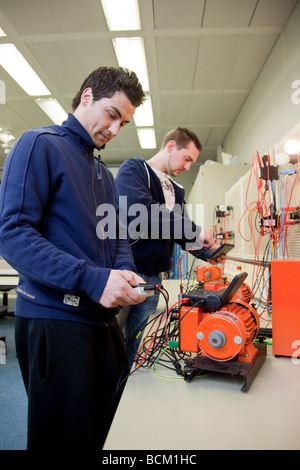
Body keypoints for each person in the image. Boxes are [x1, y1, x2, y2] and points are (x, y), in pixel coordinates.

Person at [0, 66, 147, 450]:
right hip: (55, 321)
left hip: (101, 323)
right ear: (86, 97)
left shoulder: (103, 173)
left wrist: (126, 273)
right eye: (112, 114)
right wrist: (93, 279)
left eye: (124, 123)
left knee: (108, 431)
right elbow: (13, 233)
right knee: (64, 438)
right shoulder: (40, 144)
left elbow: (116, 239)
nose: (115, 130)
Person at [115, 127, 223, 367]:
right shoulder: (135, 170)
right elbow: (142, 213)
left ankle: (127, 391)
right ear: (171, 146)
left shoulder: (177, 189)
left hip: (154, 277)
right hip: (126, 273)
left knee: (137, 339)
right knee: (111, 338)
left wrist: (207, 252)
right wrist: (195, 231)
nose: (187, 167)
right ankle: (106, 395)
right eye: (187, 159)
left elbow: (178, 233)